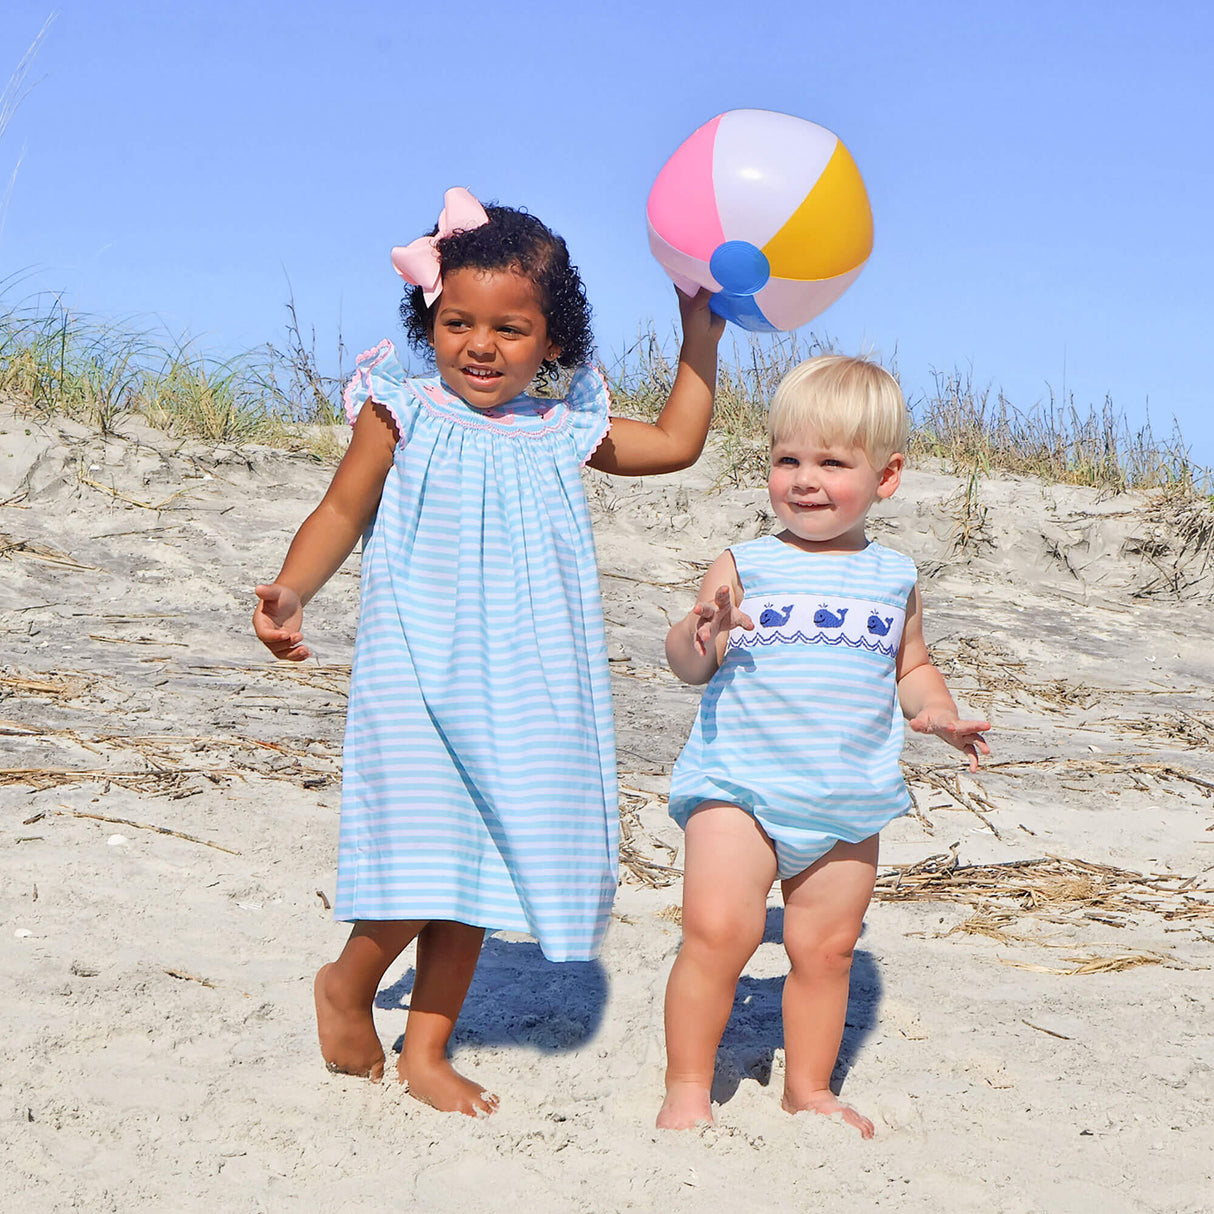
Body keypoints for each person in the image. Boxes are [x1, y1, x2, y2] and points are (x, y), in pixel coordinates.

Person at [253, 188, 724, 1116]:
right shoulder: (401, 412)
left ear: (552, 342)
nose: (480, 344)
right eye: (458, 322)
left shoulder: (559, 429)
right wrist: (292, 590)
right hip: (414, 669)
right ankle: (348, 982)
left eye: (510, 329)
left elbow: (677, 443)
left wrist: (698, 336)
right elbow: (342, 509)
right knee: (421, 854)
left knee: (476, 865)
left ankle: (428, 1051)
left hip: (524, 677)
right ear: (428, 321)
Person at [656, 354, 990, 1135]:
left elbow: (913, 668)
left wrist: (938, 713)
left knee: (828, 950)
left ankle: (807, 1089)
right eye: (787, 460)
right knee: (717, 936)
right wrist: (699, 634)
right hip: (738, 787)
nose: (804, 480)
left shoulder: (895, 578)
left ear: (886, 476)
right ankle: (688, 1087)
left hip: (846, 795)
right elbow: (688, 666)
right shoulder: (745, 565)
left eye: (832, 463)